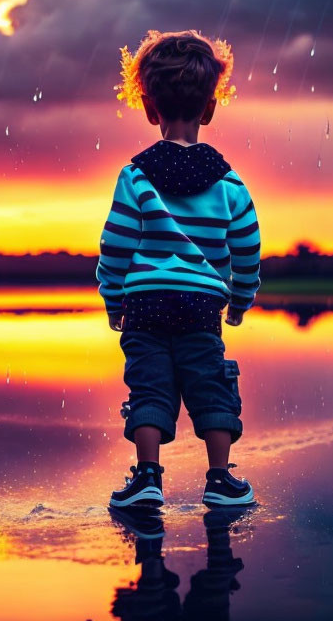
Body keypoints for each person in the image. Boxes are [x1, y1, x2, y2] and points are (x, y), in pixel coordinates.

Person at [97, 29, 260, 508]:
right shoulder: (230, 183)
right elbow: (248, 248)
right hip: (201, 305)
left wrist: (113, 299)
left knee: (149, 382)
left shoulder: (135, 175)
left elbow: (117, 243)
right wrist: (241, 298)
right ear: (209, 109)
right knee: (209, 381)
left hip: (145, 302)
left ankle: (147, 477)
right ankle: (220, 479)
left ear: (150, 110)